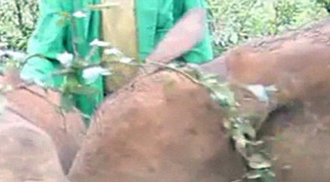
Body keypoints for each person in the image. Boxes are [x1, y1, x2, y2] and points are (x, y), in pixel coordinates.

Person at [21, 0, 213, 117]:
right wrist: (27, 91)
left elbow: (197, 52)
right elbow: (45, 50)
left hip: (160, 109)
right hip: (92, 112)